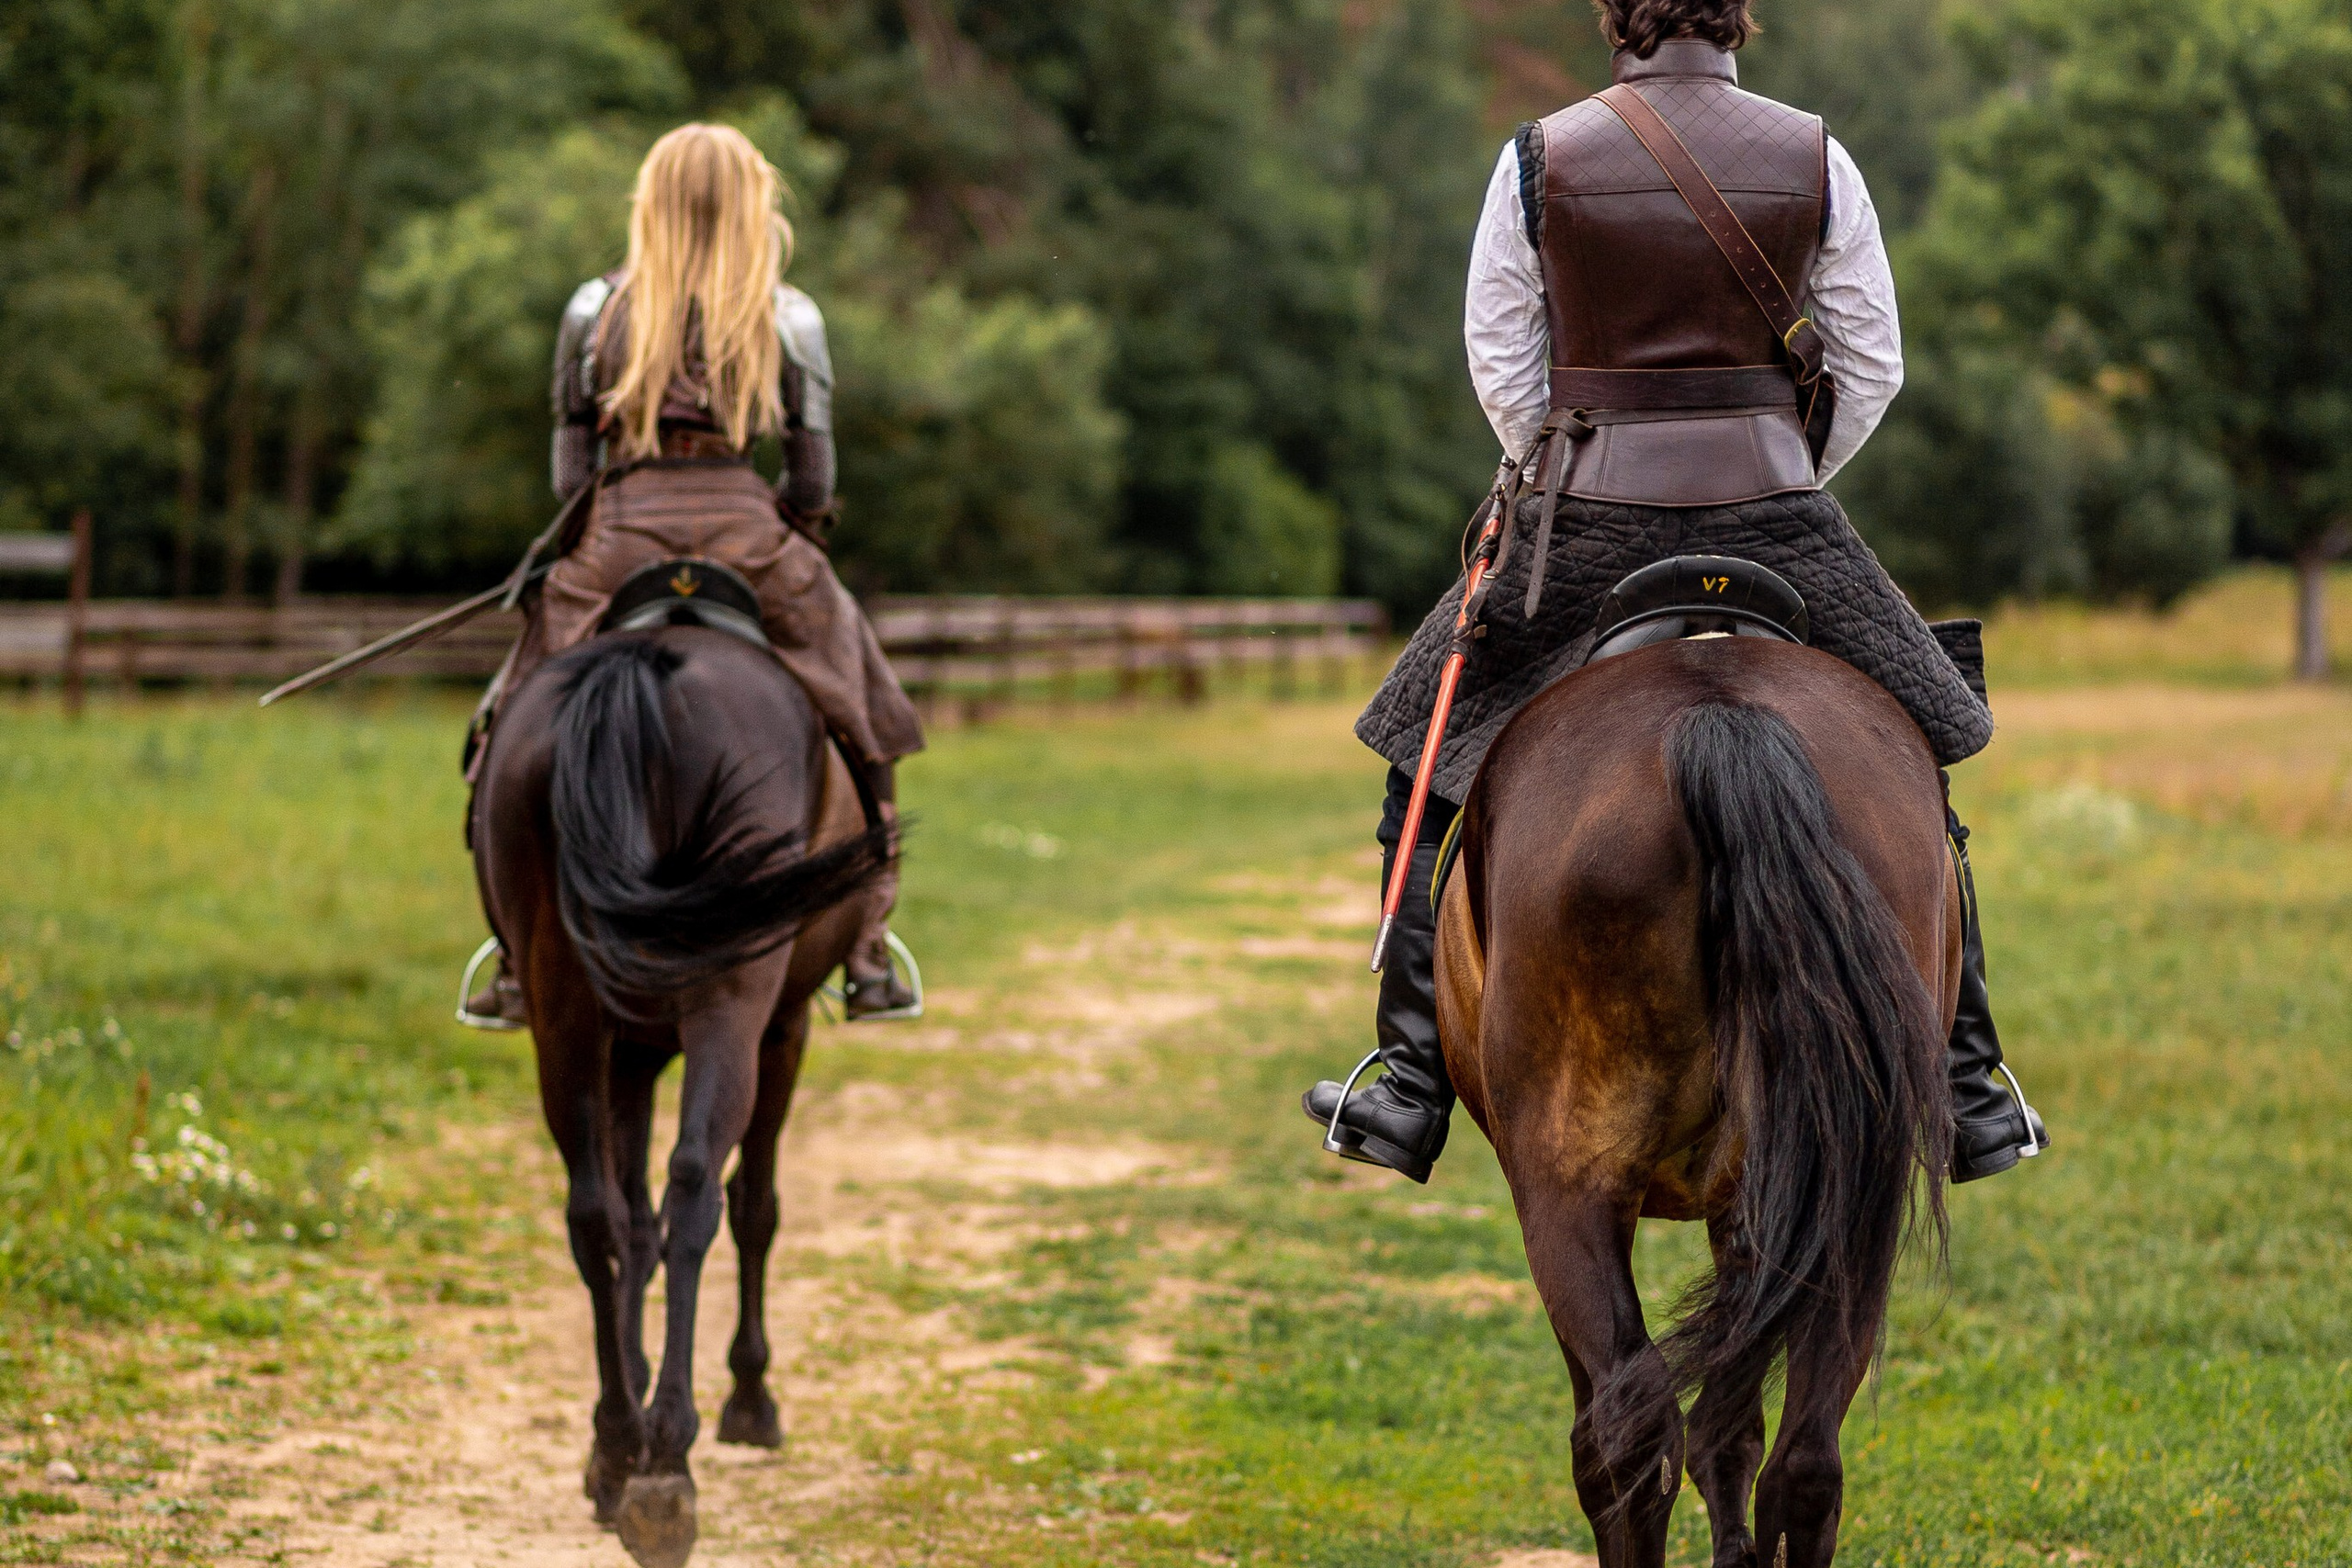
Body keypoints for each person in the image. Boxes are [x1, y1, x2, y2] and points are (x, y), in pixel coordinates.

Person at [1302, 0, 2047, 1185]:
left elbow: (1502, 359)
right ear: (1739, 16)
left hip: (1587, 511)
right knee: (1924, 739)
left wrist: (1558, 470)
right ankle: (1968, 1084)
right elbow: (1870, 363)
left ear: (1614, 16)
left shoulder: (1538, 156)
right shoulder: (1816, 154)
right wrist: (1783, 466)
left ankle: (1402, 1082)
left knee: (1423, 750)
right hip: (1776, 508)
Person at [463, 123, 925, 1025]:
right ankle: (868, 951)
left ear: (653, 200)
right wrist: (791, 525)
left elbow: (570, 475)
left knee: (508, 719)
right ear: (753, 203)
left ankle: (515, 962)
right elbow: (813, 478)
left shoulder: (593, 310)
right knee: (863, 710)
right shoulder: (788, 314)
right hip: (750, 534)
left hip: (620, 535)